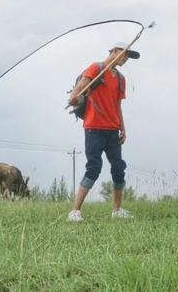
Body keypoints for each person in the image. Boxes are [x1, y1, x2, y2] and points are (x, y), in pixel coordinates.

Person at [66, 42, 140, 222]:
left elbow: (117, 105)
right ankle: (75, 211)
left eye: (128, 57)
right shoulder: (96, 68)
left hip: (112, 130)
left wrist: (122, 128)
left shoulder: (121, 79)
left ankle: (117, 210)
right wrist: (75, 99)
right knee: (94, 167)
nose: (125, 59)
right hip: (94, 128)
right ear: (114, 51)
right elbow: (75, 95)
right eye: (124, 54)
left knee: (118, 169)